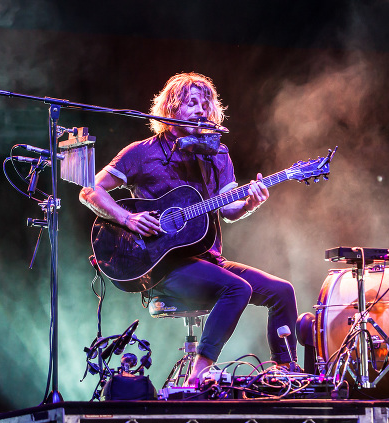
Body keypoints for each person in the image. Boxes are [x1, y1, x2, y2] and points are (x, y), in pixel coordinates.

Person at [79, 72, 298, 385]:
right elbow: (90, 191)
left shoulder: (217, 154)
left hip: (209, 261)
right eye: (191, 103)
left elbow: (231, 209)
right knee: (238, 288)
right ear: (170, 110)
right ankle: (200, 372)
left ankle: (285, 373)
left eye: (206, 105)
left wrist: (250, 202)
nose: (201, 111)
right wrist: (127, 218)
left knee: (282, 291)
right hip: (162, 268)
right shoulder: (143, 152)